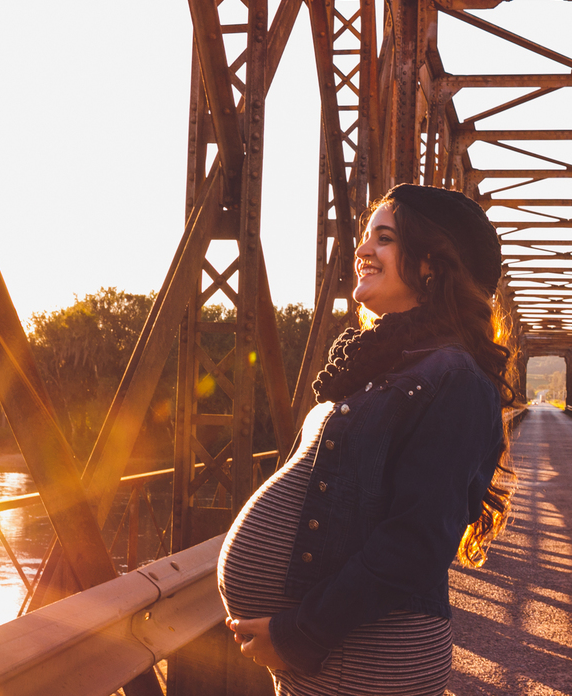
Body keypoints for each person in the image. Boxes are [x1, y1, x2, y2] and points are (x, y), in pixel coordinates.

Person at [218, 183, 516, 695]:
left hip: (366, 655)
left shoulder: (455, 378)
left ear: (430, 264)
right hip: (336, 652)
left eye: (384, 238)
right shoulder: (383, 362)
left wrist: (300, 634)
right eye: (364, 237)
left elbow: (416, 540)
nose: (361, 251)